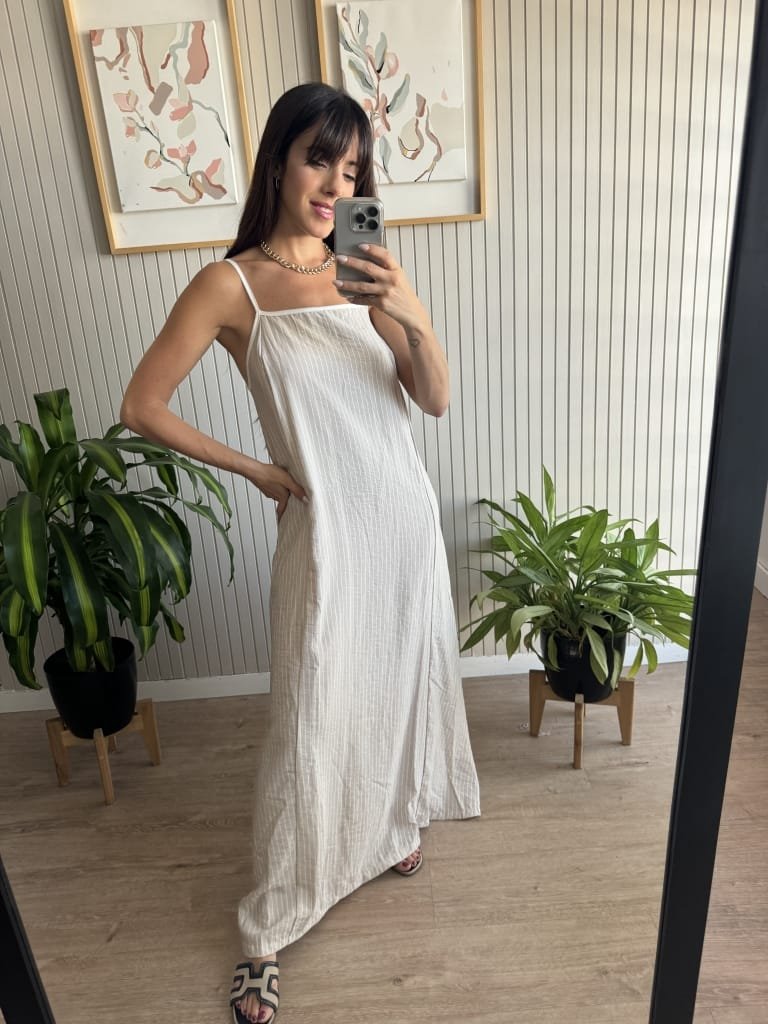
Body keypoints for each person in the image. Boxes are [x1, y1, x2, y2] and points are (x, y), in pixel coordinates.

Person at [119, 81, 481, 1024]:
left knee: (396, 683)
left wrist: (410, 310)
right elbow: (142, 406)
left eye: (352, 170)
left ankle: (393, 824)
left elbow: (433, 399)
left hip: (399, 518)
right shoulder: (229, 286)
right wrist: (257, 470)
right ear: (279, 158)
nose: (335, 185)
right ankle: (268, 928)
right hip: (323, 530)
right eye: (320, 159)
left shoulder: (366, 267)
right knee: (311, 715)